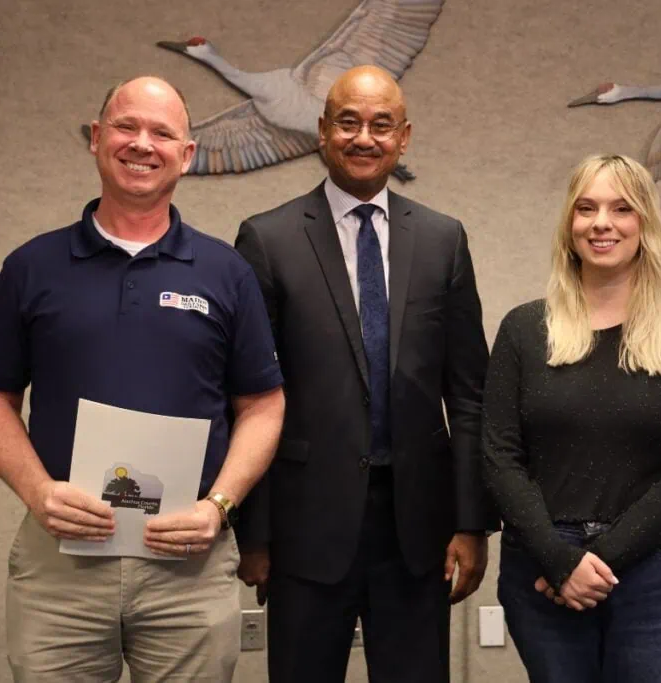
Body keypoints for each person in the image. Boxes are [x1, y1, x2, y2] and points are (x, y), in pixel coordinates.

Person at [0, 76, 285, 683]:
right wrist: (36, 490)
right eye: (126, 126)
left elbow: (263, 405)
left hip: (187, 565)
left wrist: (220, 505)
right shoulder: (32, 267)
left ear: (186, 155)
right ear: (96, 137)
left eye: (162, 133)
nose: (142, 143)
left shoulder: (227, 272)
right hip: (61, 567)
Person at [233, 65, 497, 683]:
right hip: (304, 527)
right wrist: (254, 534)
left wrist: (472, 522)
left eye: (382, 125)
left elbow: (468, 394)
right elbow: (248, 398)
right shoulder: (267, 240)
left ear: (404, 137)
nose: (364, 138)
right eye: (348, 122)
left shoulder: (443, 240)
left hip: (417, 529)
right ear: (323, 131)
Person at [482, 153, 661, 683]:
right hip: (544, 565)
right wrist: (559, 560)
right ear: (569, 223)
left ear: (645, 223)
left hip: (659, 573)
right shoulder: (524, 329)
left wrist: (595, 561)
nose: (602, 223)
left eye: (622, 209)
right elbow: (499, 456)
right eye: (586, 208)